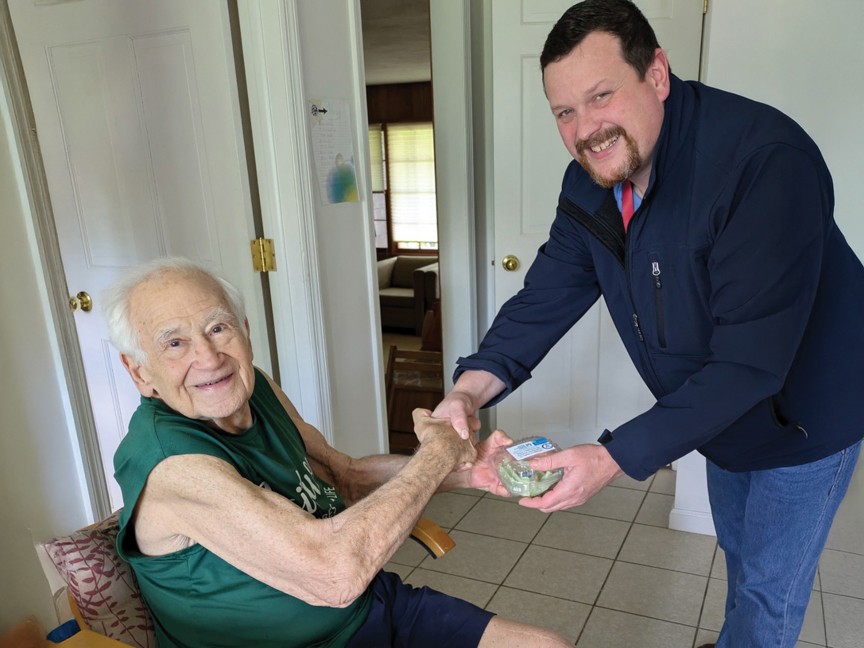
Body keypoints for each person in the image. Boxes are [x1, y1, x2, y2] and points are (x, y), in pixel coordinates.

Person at [432, 2, 864, 647]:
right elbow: (546, 296)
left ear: (656, 73)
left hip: (805, 421)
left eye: (601, 95)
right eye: (565, 111)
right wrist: (469, 389)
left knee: (768, 596)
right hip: (721, 417)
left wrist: (611, 458)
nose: (586, 129)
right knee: (741, 563)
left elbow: (751, 362)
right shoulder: (591, 183)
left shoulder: (763, 162)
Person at [103, 258, 570, 648]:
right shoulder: (174, 466)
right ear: (140, 373)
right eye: (174, 343)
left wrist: (471, 472)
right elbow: (333, 575)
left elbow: (344, 475)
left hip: (366, 610)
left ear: (245, 332)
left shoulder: (255, 387)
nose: (207, 358)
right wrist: (436, 454)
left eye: (218, 327)